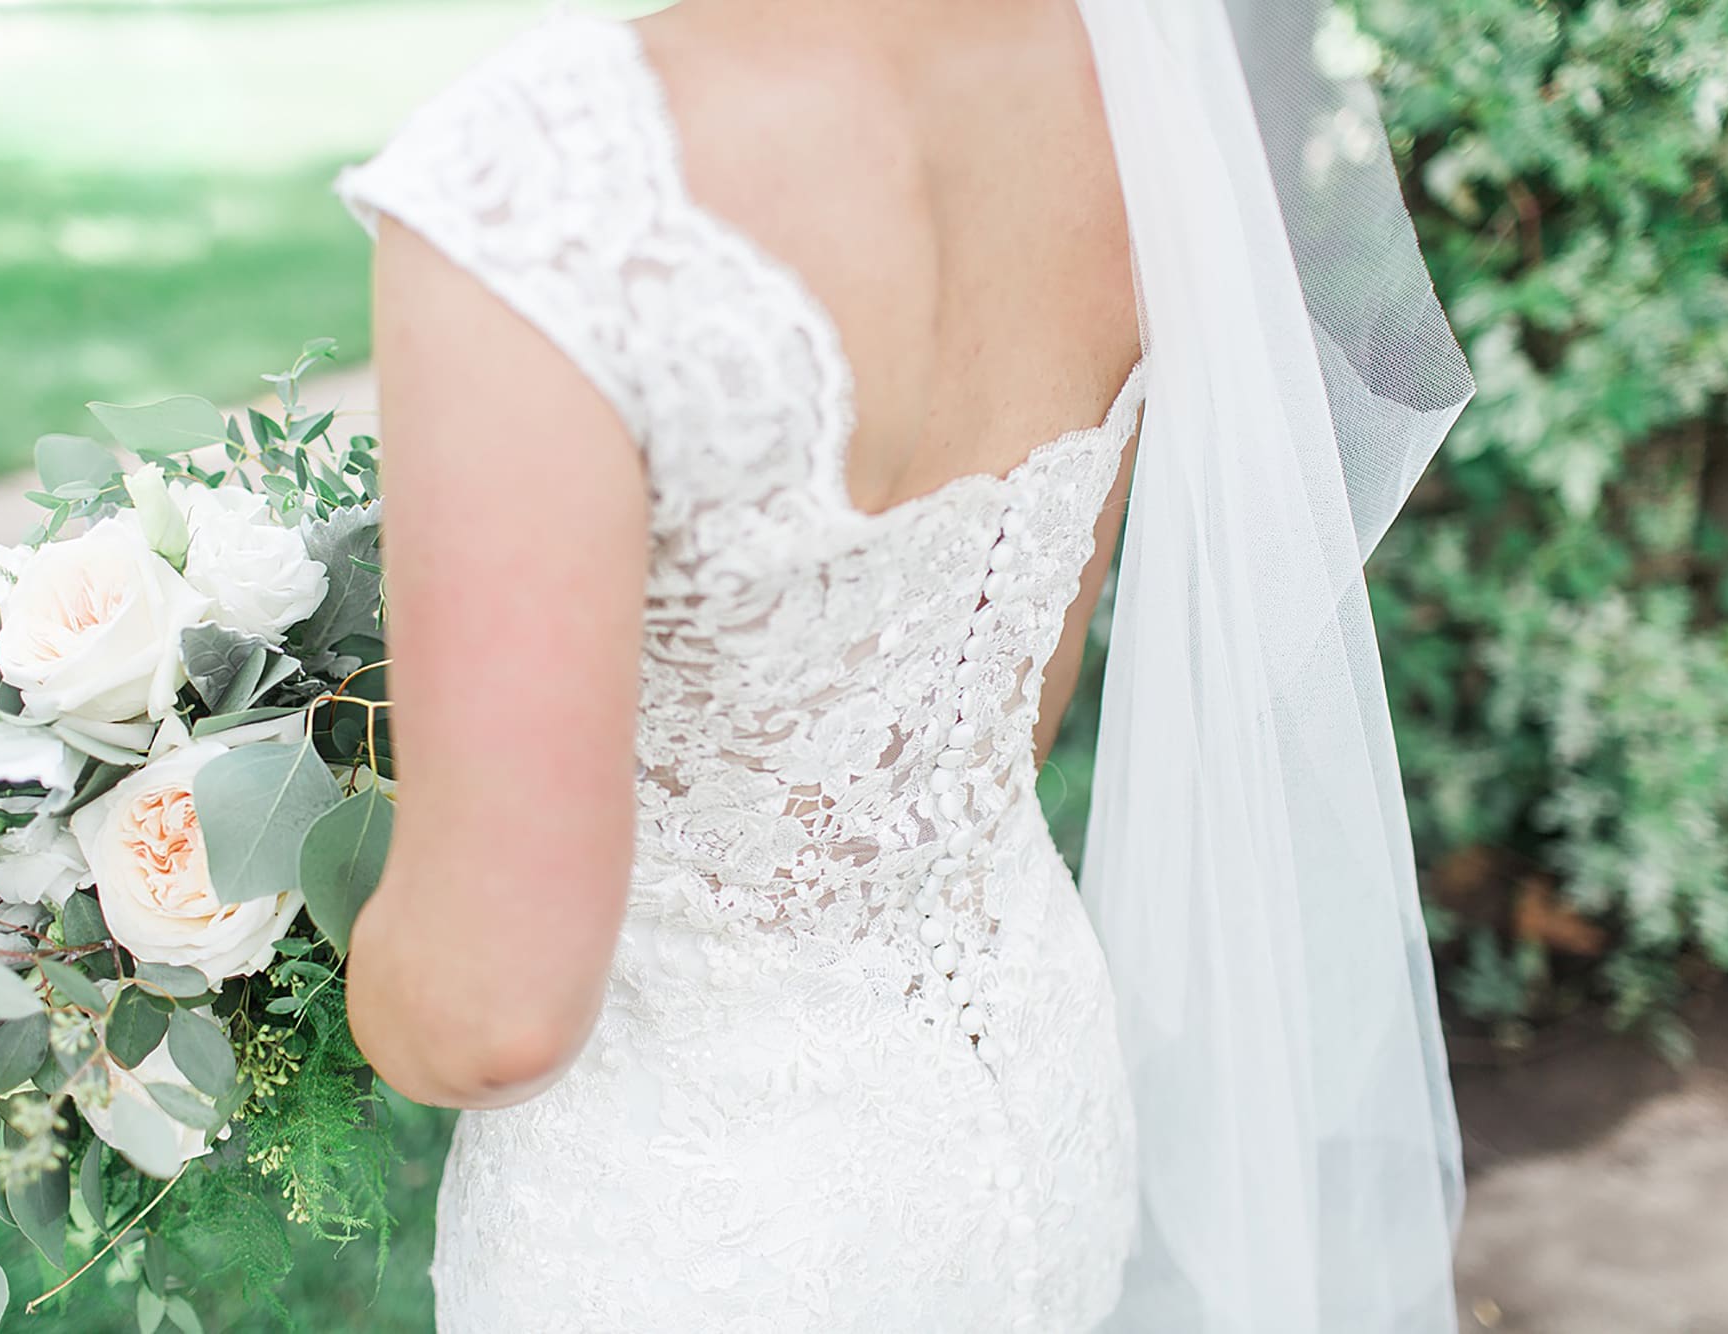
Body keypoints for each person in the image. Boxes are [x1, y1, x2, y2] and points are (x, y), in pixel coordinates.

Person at [331, 0, 1473, 1329]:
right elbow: (989, 721)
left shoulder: (533, 176)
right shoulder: (1113, 80)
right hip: (1036, 1119)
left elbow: (491, 1014)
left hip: (690, 1228)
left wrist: (242, 910)